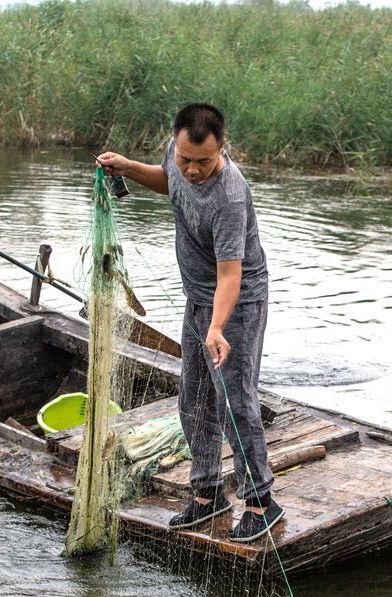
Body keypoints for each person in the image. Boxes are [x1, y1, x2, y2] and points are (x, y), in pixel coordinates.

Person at [97, 103, 284, 542]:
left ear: (222, 148)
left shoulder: (230, 197)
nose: (194, 170)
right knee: (193, 398)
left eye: (204, 161)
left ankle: (261, 502)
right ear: (176, 142)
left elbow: (231, 275)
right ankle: (207, 494)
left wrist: (217, 329)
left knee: (236, 402)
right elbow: (170, 184)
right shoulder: (177, 154)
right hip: (197, 298)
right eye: (186, 160)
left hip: (235, 303)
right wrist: (128, 168)